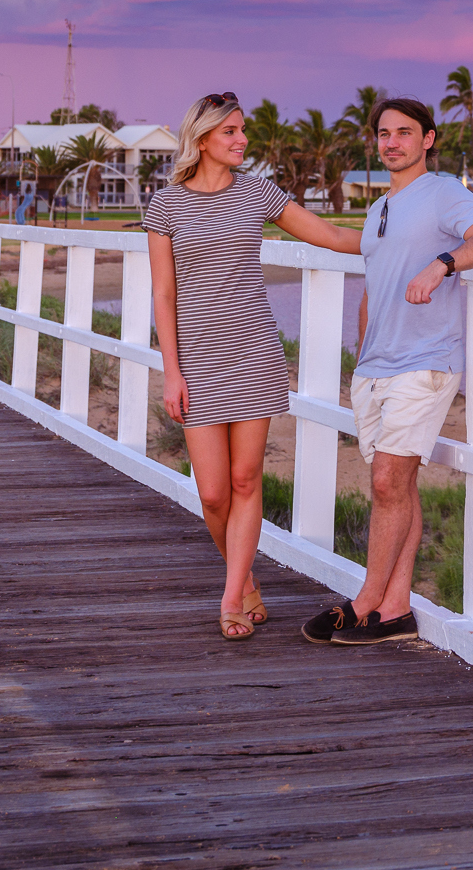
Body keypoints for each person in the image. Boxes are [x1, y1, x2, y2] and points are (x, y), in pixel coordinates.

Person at [144, 91, 361, 639]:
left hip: (253, 354)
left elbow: (331, 236)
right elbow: (164, 296)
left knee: (245, 480)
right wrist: (172, 371)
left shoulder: (257, 193)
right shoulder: (166, 206)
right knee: (213, 492)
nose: (243, 141)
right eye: (231, 132)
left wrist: (405, 244)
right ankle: (246, 582)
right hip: (198, 360)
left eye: (243, 131)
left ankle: (231, 596)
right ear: (202, 139)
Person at [304, 97, 473, 647]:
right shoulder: (378, 209)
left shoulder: (443, 192)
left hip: (426, 361)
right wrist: (363, 352)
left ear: (428, 139)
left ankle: (365, 600)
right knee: (400, 485)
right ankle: (396, 612)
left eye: (405, 132)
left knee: (386, 481)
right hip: (375, 366)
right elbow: (374, 282)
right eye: (384, 133)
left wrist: (442, 265)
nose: (392, 142)